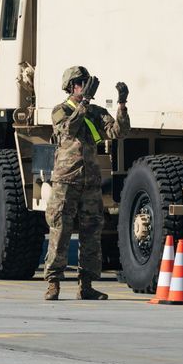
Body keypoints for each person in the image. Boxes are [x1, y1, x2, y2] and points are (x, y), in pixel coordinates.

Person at [43, 66, 130, 301]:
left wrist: (122, 105)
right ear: (72, 86)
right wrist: (84, 103)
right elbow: (69, 128)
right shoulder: (60, 110)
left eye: (87, 81)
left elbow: (118, 131)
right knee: (60, 231)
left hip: (90, 181)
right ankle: (53, 283)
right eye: (82, 82)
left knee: (91, 234)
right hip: (66, 180)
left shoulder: (95, 112)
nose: (86, 85)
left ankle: (87, 285)